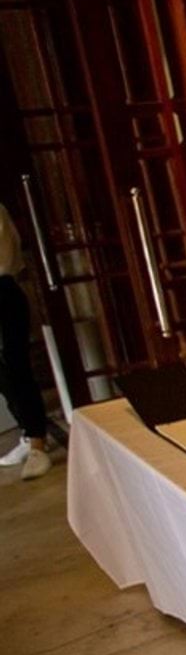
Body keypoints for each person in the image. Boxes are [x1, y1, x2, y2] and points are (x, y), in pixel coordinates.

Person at [0, 200, 51, 480]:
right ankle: (27, 433)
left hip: (2, 293)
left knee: (14, 368)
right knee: (2, 375)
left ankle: (37, 443)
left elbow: (5, 259)